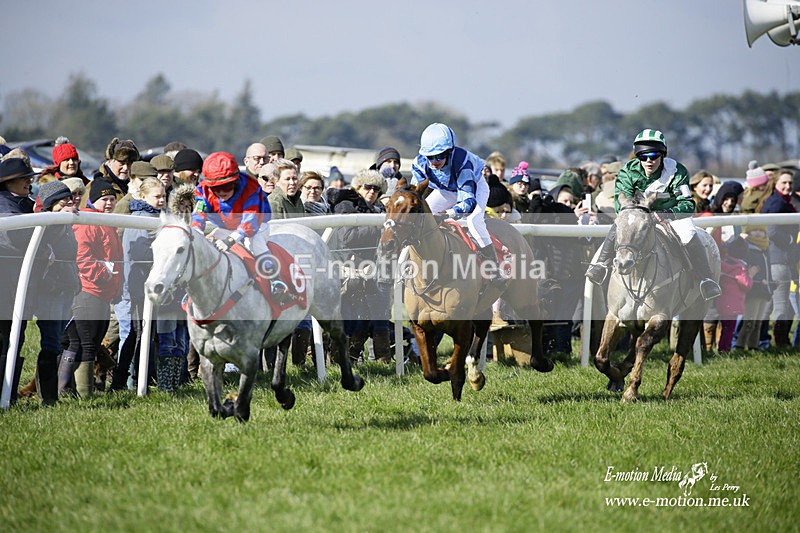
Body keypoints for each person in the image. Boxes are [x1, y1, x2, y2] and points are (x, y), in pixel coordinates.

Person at [585, 129, 721, 300]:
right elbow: (622, 204)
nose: (649, 160)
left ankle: (706, 278)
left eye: (654, 155)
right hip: (638, 215)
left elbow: (688, 204)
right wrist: (640, 215)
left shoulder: (677, 171)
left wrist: (667, 214)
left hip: (670, 215)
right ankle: (601, 265)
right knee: (622, 225)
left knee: (689, 232)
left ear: (662, 154)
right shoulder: (627, 172)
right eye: (643, 156)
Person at [60, 177, 123, 398]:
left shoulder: (108, 223)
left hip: (103, 292)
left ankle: (72, 390)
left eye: (112, 199)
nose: (109, 203)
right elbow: (82, 257)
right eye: (104, 199)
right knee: (86, 343)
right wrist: (103, 276)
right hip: (88, 290)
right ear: (93, 201)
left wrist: (114, 285)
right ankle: (83, 395)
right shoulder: (88, 222)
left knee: (94, 341)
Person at [410, 123, 499, 279]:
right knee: (421, 219)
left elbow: (468, 203)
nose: (434, 161)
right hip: (446, 190)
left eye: (440, 155)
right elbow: (413, 193)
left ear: (450, 152)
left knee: (473, 221)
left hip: (475, 188)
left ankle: (493, 268)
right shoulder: (419, 164)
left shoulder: (462, 163)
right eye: (430, 156)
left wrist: (448, 213)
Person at [21, 181, 81, 404]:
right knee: (51, 342)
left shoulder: (67, 225)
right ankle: (49, 398)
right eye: (64, 199)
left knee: (56, 343)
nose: (70, 202)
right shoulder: (46, 226)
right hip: (50, 291)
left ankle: (49, 395)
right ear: (51, 204)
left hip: (66, 288)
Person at [330, 169, 392, 363]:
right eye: (368, 187)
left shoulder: (376, 209)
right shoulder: (346, 204)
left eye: (376, 189)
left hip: (368, 269)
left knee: (365, 317)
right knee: (347, 318)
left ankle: (355, 358)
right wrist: (377, 228)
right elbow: (346, 237)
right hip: (346, 269)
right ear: (358, 187)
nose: (372, 191)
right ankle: (337, 360)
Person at [0, 156, 38, 403]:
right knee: (6, 338)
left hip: (17, 285)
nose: (29, 182)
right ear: (8, 182)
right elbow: (21, 239)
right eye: (24, 178)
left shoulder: (23, 204)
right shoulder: (5, 206)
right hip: (7, 285)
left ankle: (9, 393)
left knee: (16, 337)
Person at [192, 151, 272, 257]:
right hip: (227, 228)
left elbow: (250, 220)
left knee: (254, 244)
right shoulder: (203, 191)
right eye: (216, 188)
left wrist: (230, 240)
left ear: (236, 181)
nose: (221, 192)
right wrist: (197, 231)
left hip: (257, 226)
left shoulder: (251, 189)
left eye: (226, 187)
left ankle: (269, 269)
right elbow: (199, 213)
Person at [760, 168, 799, 347]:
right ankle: (779, 344)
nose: (788, 186)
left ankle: (765, 341)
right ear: (775, 183)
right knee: (781, 305)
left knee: (771, 305)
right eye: (784, 182)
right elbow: (773, 231)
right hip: (779, 259)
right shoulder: (777, 203)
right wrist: (791, 240)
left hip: (776, 259)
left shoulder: (778, 200)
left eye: (790, 183)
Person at [83, 137, 139, 208]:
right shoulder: (95, 187)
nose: (126, 168)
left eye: (130, 163)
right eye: (121, 163)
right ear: (109, 161)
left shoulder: (136, 185)